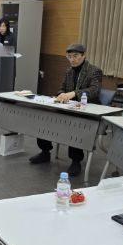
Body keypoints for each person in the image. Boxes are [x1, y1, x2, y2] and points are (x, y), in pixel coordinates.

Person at [29, 43, 102, 177]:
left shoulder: (94, 71)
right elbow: (61, 88)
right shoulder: (69, 71)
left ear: (83, 56)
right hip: (68, 107)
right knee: (45, 117)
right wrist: (61, 94)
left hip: (87, 109)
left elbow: (94, 90)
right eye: (69, 57)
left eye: (75, 56)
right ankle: (45, 152)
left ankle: (76, 161)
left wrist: (74, 93)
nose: (72, 59)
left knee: (75, 125)